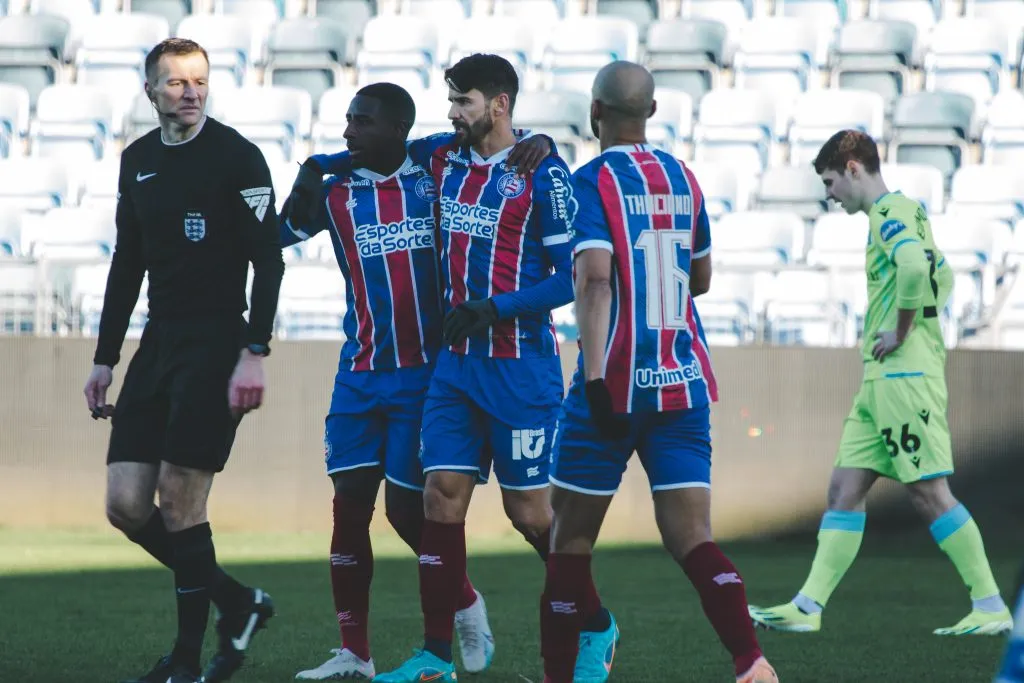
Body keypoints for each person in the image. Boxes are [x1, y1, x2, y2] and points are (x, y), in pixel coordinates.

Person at [279, 82, 551, 680]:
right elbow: (279, 237)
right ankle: (355, 652)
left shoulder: (435, 172)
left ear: (399, 128)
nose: (349, 130)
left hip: (425, 374)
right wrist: (311, 174)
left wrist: (541, 141)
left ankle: (464, 602)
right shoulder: (337, 193)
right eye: (348, 119)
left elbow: (496, 144)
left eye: (363, 120)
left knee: (407, 512)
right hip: (359, 370)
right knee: (348, 505)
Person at [354, 53, 602, 683]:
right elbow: (383, 151)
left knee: (530, 515)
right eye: (450, 100)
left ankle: (597, 622)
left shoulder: (544, 174)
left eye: (462, 101)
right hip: (455, 371)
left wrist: (496, 307)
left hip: (521, 372)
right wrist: (320, 168)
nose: (451, 113)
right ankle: (436, 655)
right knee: (440, 498)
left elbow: (568, 279)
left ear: (498, 104)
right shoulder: (445, 159)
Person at [538, 60, 779, 683]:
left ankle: (562, 676)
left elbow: (593, 279)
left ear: (595, 114)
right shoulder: (684, 178)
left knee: (568, 544)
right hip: (680, 382)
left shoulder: (588, 182)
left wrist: (594, 378)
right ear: (650, 112)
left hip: (614, 384)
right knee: (694, 538)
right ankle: (752, 663)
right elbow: (698, 279)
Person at [748, 130, 1012, 638]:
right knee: (843, 489)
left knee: (929, 492)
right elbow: (944, 276)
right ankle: (808, 606)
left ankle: (991, 603)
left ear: (852, 168)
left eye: (830, 181)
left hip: (904, 376)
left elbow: (915, 268)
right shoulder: (907, 211)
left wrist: (902, 330)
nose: (829, 193)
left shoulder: (890, 216)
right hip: (882, 380)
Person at [82, 38, 284, 683]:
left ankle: (189, 662)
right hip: (159, 341)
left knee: (179, 499)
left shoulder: (236, 156)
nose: (190, 92)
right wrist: (105, 358)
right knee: (124, 504)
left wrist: (254, 350)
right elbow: (127, 262)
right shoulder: (137, 160)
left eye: (198, 81)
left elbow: (270, 260)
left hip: (220, 341)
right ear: (151, 92)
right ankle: (237, 601)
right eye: (175, 83)